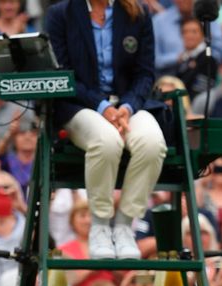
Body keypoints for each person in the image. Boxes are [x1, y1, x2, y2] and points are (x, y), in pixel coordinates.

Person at [46, 0, 167, 260]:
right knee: (107, 141)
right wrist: (101, 107)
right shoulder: (61, 13)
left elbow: (145, 74)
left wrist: (128, 107)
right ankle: (100, 225)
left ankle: (124, 226)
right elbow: (62, 74)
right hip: (79, 106)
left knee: (152, 144)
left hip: (127, 105)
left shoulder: (138, 12)